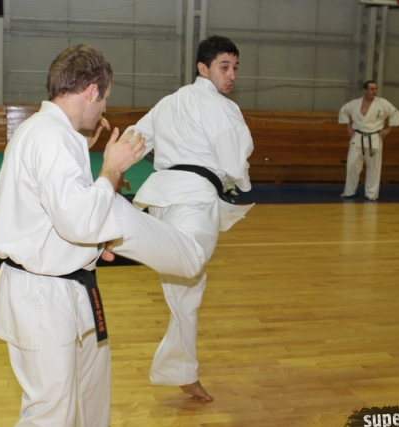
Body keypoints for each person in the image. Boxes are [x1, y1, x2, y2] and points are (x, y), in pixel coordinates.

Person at [0, 44, 211, 427]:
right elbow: (79, 221)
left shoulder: (53, 132)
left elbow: (59, 211)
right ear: (91, 91)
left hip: (70, 285)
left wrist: (89, 161)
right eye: (104, 98)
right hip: (43, 294)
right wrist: (111, 169)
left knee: (91, 396)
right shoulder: (51, 137)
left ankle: (188, 254)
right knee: (51, 413)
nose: (104, 107)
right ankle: (189, 253)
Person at [123, 35, 254, 402]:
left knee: (186, 290)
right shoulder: (222, 107)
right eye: (224, 67)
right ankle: (120, 232)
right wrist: (243, 184)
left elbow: (137, 137)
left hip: (160, 197)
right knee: (192, 259)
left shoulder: (168, 102)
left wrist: (116, 167)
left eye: (235, 67)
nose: (231, 74)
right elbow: (234, 160)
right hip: (194, 197)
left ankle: (181, 372)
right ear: (203, 68)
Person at [338, 80, 399, 201]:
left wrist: (388, 129)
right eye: (372, 89)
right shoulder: (355, 103)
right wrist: (348, 127)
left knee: (374, 167)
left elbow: (395, 113)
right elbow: (343, 111)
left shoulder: (382, 103)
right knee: (352, 165)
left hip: (374, 138)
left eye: (375, 89)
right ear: (365, 90)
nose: (374, 91)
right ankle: (349, 191)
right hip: (357, 137)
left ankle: (371, 193)